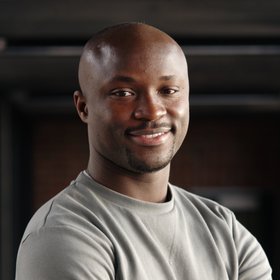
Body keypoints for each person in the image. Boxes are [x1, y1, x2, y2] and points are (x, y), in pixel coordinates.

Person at [15, 22, 272, 279]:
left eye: (168, 91)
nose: (151, 111)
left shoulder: (225, 231)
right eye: (123, 93)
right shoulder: (64, 232)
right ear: (84, 107)